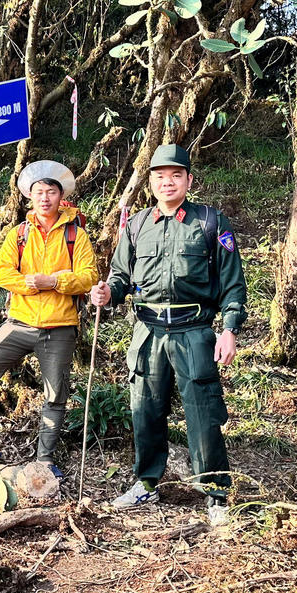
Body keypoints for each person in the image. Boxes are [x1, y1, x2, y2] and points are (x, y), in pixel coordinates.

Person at [90, 143, 247, 525]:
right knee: (145, 409)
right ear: (151, 181)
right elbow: (121, 276)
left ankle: (215, 492)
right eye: (160, 176)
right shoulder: (137, 225)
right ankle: (146, 482)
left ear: (189, 180)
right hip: (147, 332)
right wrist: (109, 291)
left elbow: (232, 284)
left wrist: (229, 329)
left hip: (194, 331)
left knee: (203, 412)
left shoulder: (210, 223)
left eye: (176, 175)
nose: (168, 182)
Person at [0, 161, 97, 477]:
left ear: (61, 196)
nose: (45, 198)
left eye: (51, 191)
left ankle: (45, 460)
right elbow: (3, 273)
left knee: (55, 394)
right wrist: (31, 283)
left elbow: (88, 277)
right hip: (20, 322)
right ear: (29, 197)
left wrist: (57, 282)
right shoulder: (19, 234)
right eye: (39, 192)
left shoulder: (76, 235)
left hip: (60, 325)